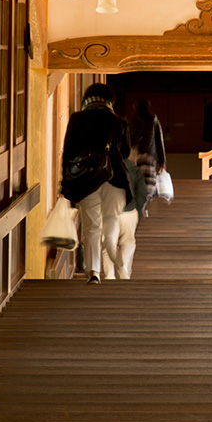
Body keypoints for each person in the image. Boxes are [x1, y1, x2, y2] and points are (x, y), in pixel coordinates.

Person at [60, 82, 131, 284]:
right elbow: (125, 153)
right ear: (110, 100)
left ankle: (94, 273)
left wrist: (65, 183)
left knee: (91, 227)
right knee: (111, 223)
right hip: (114, 178)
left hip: (85, 180)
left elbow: (68, 152)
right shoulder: (118, 121)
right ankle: (119, 264)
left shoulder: (76, 118)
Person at [102, 157, 148, 280]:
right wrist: (137, 210)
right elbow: (142, 193)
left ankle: (110, 275)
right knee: (128, 242)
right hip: (129, 211)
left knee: (108, 245)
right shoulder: (133, 167)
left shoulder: (103, 166)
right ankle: (124, 271)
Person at [127, 98, 167, 202]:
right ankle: (142, 209)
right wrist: (162, 162)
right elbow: (159, 141)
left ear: (135, 107)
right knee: (146, 189)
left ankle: (134, 211)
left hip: (132, 155)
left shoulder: (129, 119)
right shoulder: (153, 119)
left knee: (132, 186)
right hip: (148, 156)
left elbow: (126, 139)